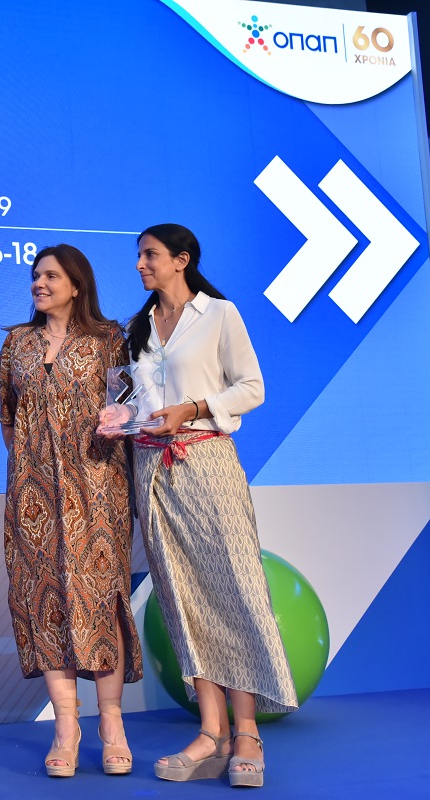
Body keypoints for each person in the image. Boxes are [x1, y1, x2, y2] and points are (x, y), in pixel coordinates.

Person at [100, 223, 297, 789]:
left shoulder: (219, 314)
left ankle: (247, 732)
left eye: (151, 255)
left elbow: (252, 387)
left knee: (235, 589)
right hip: (152, 471)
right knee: (181, 598)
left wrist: (192, 407)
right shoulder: (137, 328)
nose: (140, 264)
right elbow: (134, 397)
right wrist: (121, 418)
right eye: (139, 255)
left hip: (206, 460)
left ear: (182, 260)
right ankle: (212, 733)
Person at [0, 244, 143, 778]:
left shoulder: (110, 341)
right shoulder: (16, 344)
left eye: (51, 276)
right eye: (36, 275)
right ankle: (65, 728)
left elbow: (130, 410)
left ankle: (112, 725)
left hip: (99, 491)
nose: (40, 283)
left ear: (76, 285)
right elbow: (8, 419)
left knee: (101, 600)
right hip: (32, 501)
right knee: (45, 601)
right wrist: (34, 468)